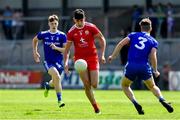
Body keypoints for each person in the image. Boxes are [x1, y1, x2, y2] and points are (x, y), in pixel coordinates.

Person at [108, 18, 174, 115]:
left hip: (131, 66)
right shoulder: (153, 41)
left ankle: (135, 103)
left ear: (140, 27)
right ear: (150, 28)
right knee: (152, 86)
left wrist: (113, 56)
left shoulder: (133, 35)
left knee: (125, 85)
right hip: (144, 67)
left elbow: (121, 43)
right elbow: (153, 56)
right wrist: (155, 70)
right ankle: (162, 99)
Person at [64, 9, 106, 114]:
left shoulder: (91, 27)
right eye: (77, 21)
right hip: (79, 60)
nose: (79, 22)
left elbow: (102, 38)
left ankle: (93, 97)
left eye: (81, 20)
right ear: (74, 20)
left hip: (93, 57)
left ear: (84, 19)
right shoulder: (71, 32)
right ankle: (96, 107)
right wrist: (65, 63)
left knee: (95, 84)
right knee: (87, 85)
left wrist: (103, 54)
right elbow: (67, 49)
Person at [32, 14, 66, 108]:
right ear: (49, 24)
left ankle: (48, 85)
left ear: (57, 23)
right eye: (52, 23)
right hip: (48, 62)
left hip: (59, 62)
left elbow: (65, 50)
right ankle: (60, 100)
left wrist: (56, 48)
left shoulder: (62, 35)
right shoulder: (44, 34)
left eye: (55, 23)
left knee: (55, 80)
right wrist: (35, 52)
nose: (54, 25)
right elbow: (35, 40)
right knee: (57, 77)